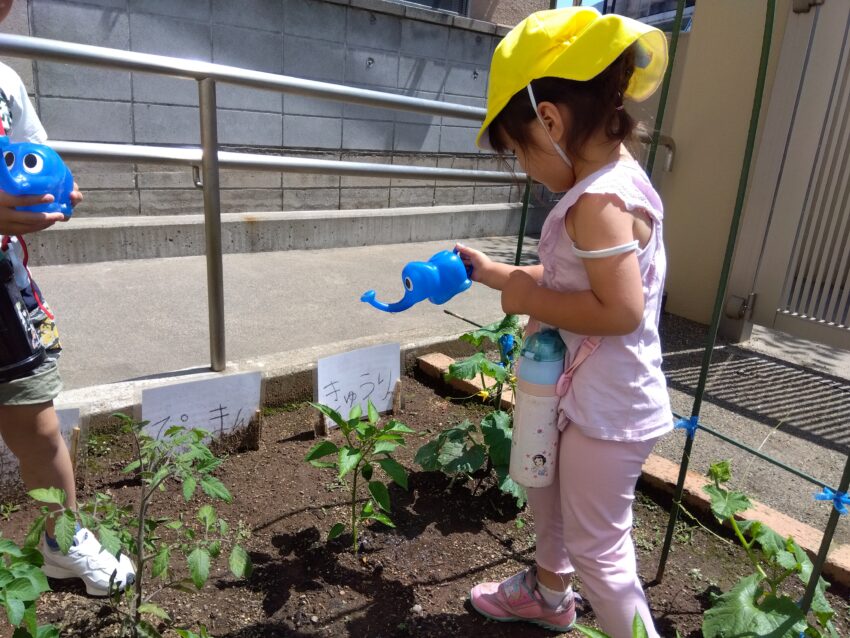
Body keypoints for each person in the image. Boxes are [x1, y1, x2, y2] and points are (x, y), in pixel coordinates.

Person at [458, 7, 671, 637]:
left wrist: (528, 300)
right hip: (584, 396)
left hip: (610, 413)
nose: (527, 168)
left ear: (549, 121)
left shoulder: (599, 205)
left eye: (522, 153)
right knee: (545, 488)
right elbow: (574, 278)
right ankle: (549, 597)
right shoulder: (609, 182)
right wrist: (497, 273)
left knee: (600, 554)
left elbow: (622, 311)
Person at [0, 0, 135, 596]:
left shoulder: (4, 82)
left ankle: (62, 542)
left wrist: (58, 185)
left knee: (38, 424)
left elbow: (35, 155)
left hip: (1, 287)